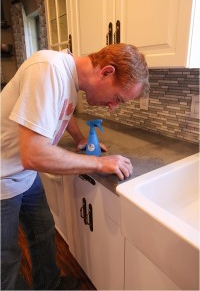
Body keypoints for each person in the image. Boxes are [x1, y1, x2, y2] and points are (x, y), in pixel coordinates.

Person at [0, 43, 149, 290]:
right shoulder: (48, 70)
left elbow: (63, 111)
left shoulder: (68, 75)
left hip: (23, 174)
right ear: (107, 72)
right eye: (117, 98)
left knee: (43, 232)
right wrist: (99, 163)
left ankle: (50, 285)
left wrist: (80, 138)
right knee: (6, 259)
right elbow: (34, 155)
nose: (113, 106)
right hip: (3, 177)